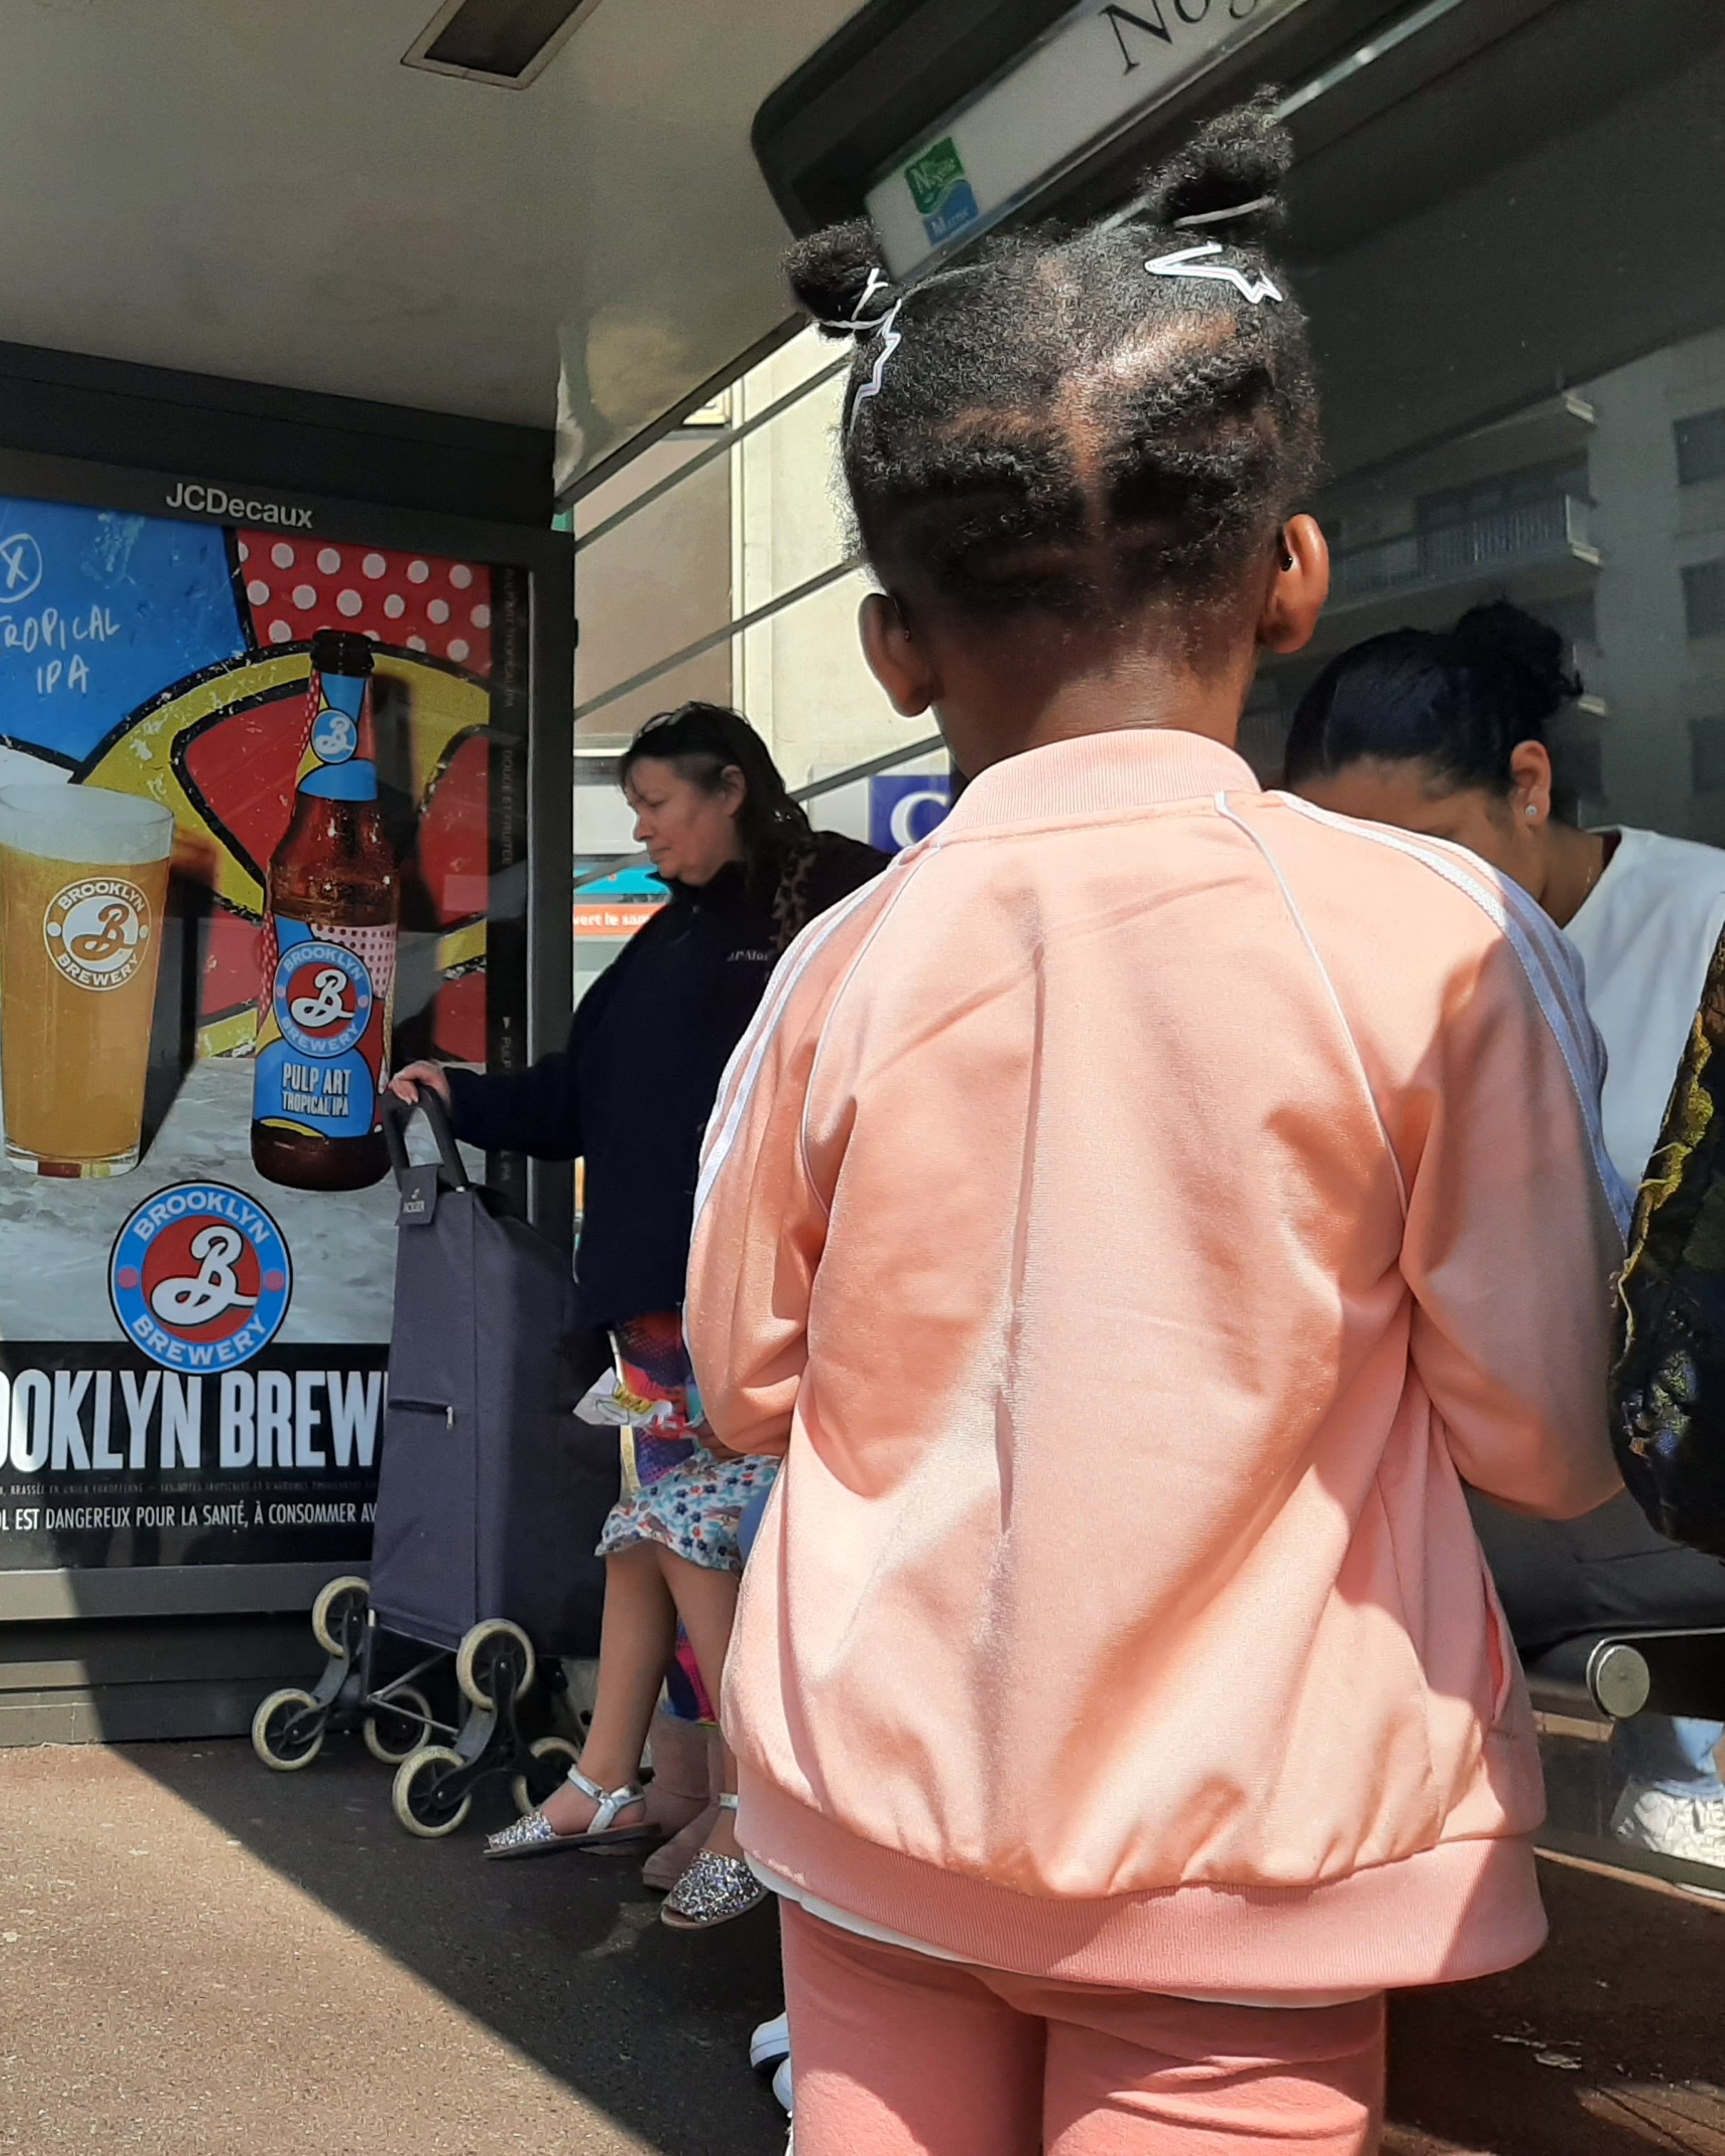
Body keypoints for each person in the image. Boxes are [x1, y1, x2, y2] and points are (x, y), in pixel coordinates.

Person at [690, 101, 1627, 2149]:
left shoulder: (835, 972)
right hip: (1258, 1845)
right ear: (1289, 576)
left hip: (877, 1810)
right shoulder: (1428, 946)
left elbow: (746, 1388)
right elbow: (1549, 1436)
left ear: (892, 643)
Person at [391, 699, 885, 1926]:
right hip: (653, 1315)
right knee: (656, 1533)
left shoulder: (837, 892)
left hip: (761, 1302)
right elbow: (575, 1099)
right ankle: (641, 1778)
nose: (647, 833)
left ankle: (741, 1799)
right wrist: (464, 1093)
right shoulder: (669, 938)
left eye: (659, 806)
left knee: (698, 1534)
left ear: (730, 787)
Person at [1284, 600, 1725, 1870]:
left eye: (1429, 850)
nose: (1393, 909)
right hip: (1476, 1484)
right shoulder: (1355, 980)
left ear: (1527, 784)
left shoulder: (1699, 924)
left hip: (1649, 1484)